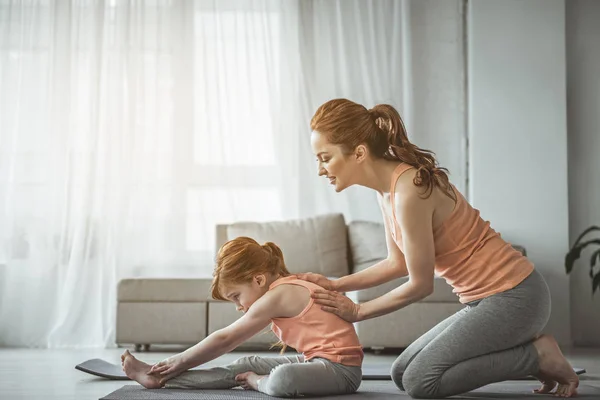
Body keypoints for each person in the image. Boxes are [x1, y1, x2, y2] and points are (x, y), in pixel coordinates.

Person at [299, 98, 579, 398]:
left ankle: (536, 356)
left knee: (422, 382)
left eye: (324, 158)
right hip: (484, 301)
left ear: (358, 153)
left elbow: (420, 286)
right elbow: (398, 263)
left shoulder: (409, 190)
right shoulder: (387, 191)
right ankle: (529, 353)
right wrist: (336, 284)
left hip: (516, 297)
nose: (320, 170)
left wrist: (358, 310)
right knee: (402, 373)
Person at [120, 236, 363, 398]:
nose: (238, 306)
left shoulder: (279, 294)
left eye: (236, 296)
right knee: (246, 362)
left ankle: (259, 383)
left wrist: (178, 360)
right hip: (315, 362)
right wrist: (174, 368)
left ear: (258, 280)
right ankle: (161, 379)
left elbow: (226, 339)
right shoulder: (281, 290)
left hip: (341, 372)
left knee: (282, 379)